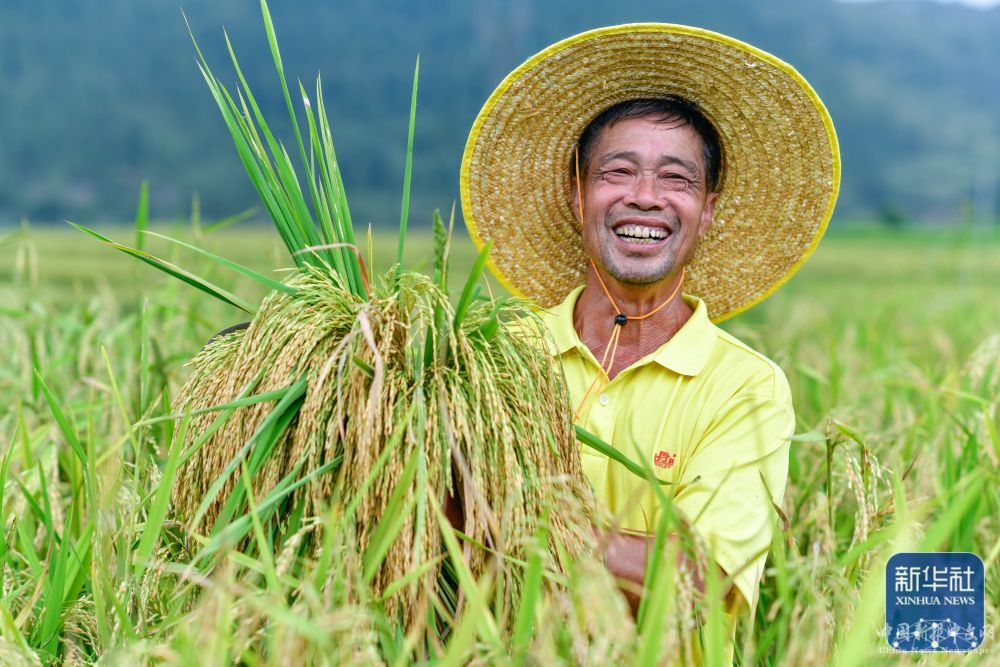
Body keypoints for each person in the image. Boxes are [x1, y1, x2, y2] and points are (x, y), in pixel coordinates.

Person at [460, 23, 840, 664]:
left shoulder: (745, 387)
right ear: (577, 194)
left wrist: (504, 519)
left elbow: (701, 577)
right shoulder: (494, 359)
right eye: (618, 172)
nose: (645, 197)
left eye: (676, 179)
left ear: (708, 210)